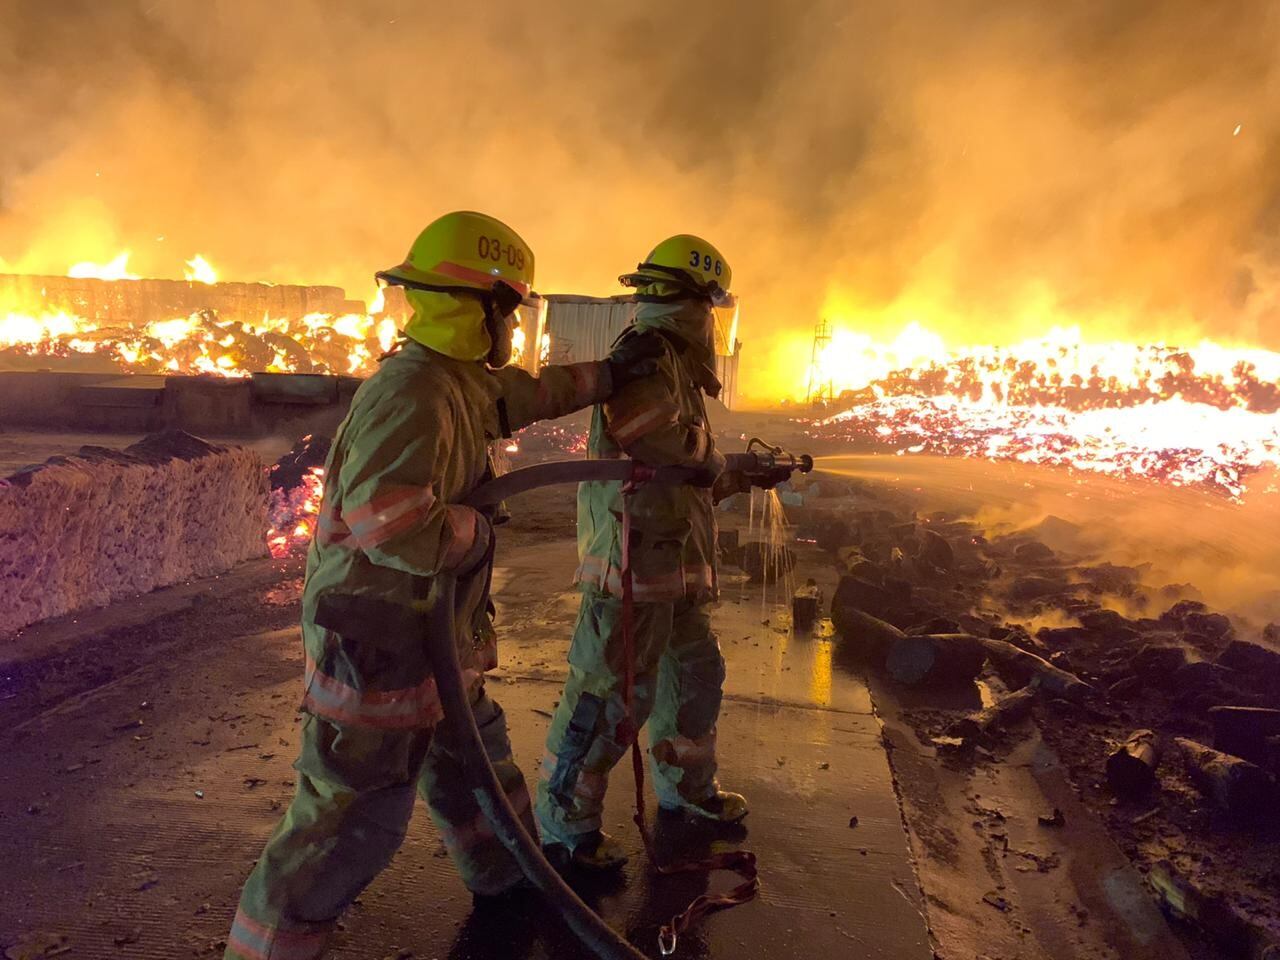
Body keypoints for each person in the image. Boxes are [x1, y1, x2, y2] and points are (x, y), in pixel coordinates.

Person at [224, 211, 662, 960]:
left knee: (473, 763)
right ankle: (265, 950)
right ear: (480, 309)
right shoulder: (414, 394)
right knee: (350, 820)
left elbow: (521, 396)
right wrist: (477, 532)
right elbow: (391, 526)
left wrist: (610, 375)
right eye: (509, 310)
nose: (514, 326)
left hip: (430, 637)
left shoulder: (451, 381)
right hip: (379, 647)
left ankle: (510, 880)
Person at [535, 234, 750, 871]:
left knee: (696, 674)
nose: (713, 320)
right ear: (695, 302)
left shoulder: (673, 360)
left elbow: (676, 466)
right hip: (633, 564)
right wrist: (713, 459)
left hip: (672, 563)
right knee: (609, 697)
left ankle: (687, 789)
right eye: (710, 306)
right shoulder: (649, 351)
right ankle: (565, 828)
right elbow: (648, 434)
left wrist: (723, 475)